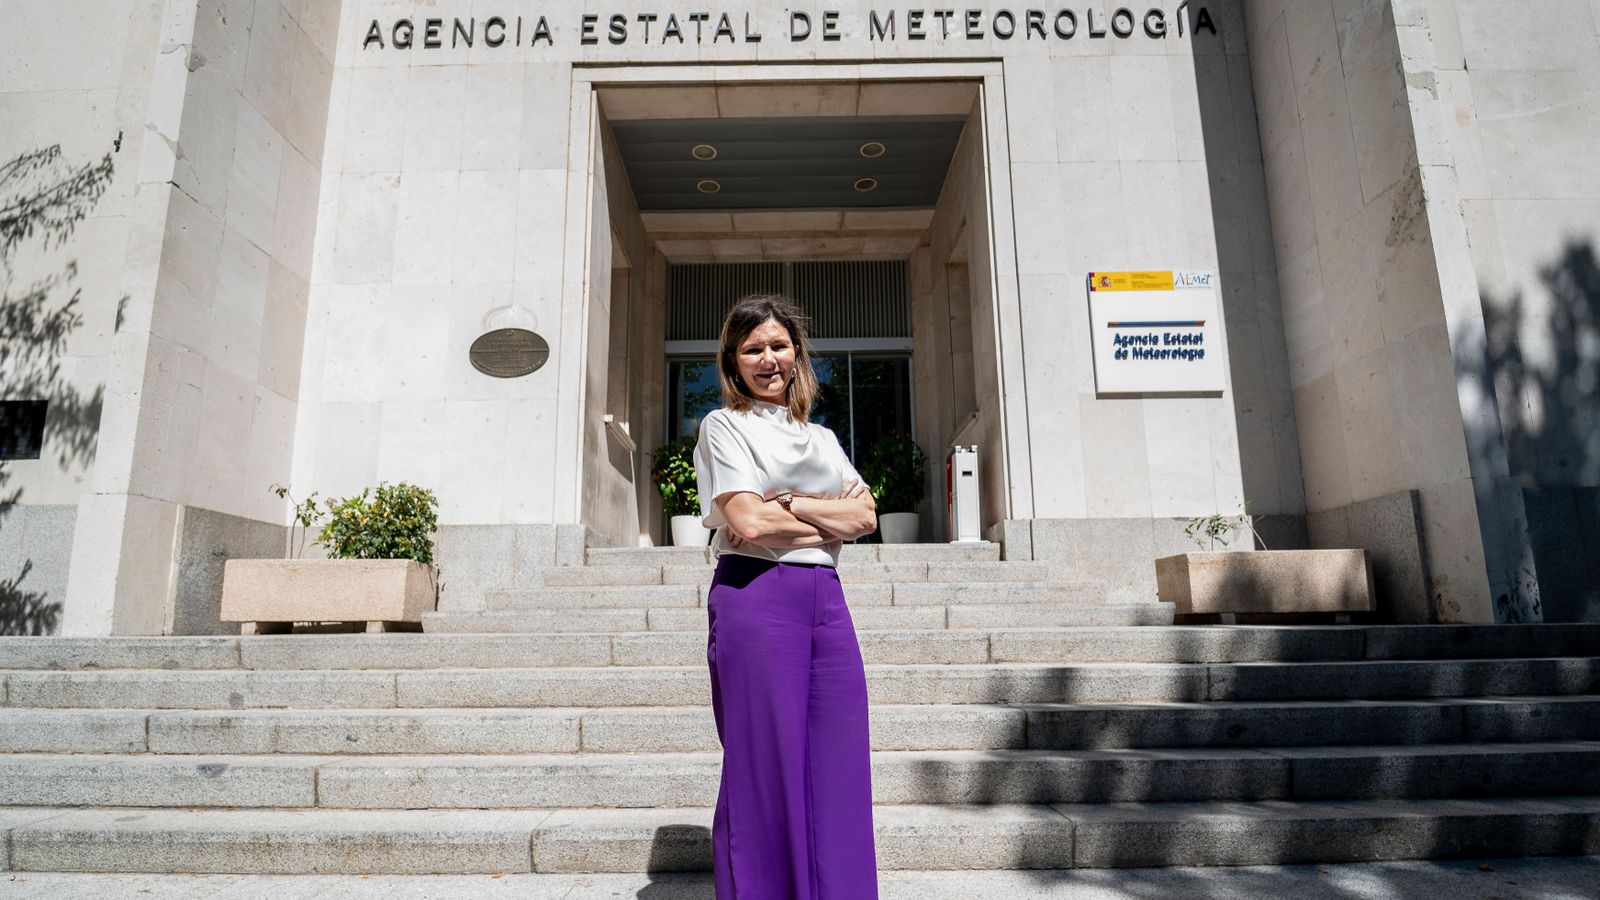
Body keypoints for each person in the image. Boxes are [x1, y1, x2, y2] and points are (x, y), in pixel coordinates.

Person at [693, 292, 881, 898]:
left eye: (778, 345)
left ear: (797, 353)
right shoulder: (724, 426)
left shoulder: (821, 438)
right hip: (757, 594)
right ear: (733, 359)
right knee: (764, 763)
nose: (768, 359)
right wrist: (829, 517)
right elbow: (749, 522)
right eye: (753, 349)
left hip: (825, 600)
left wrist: (792, 503)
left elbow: (867, 517)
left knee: (838, 761)